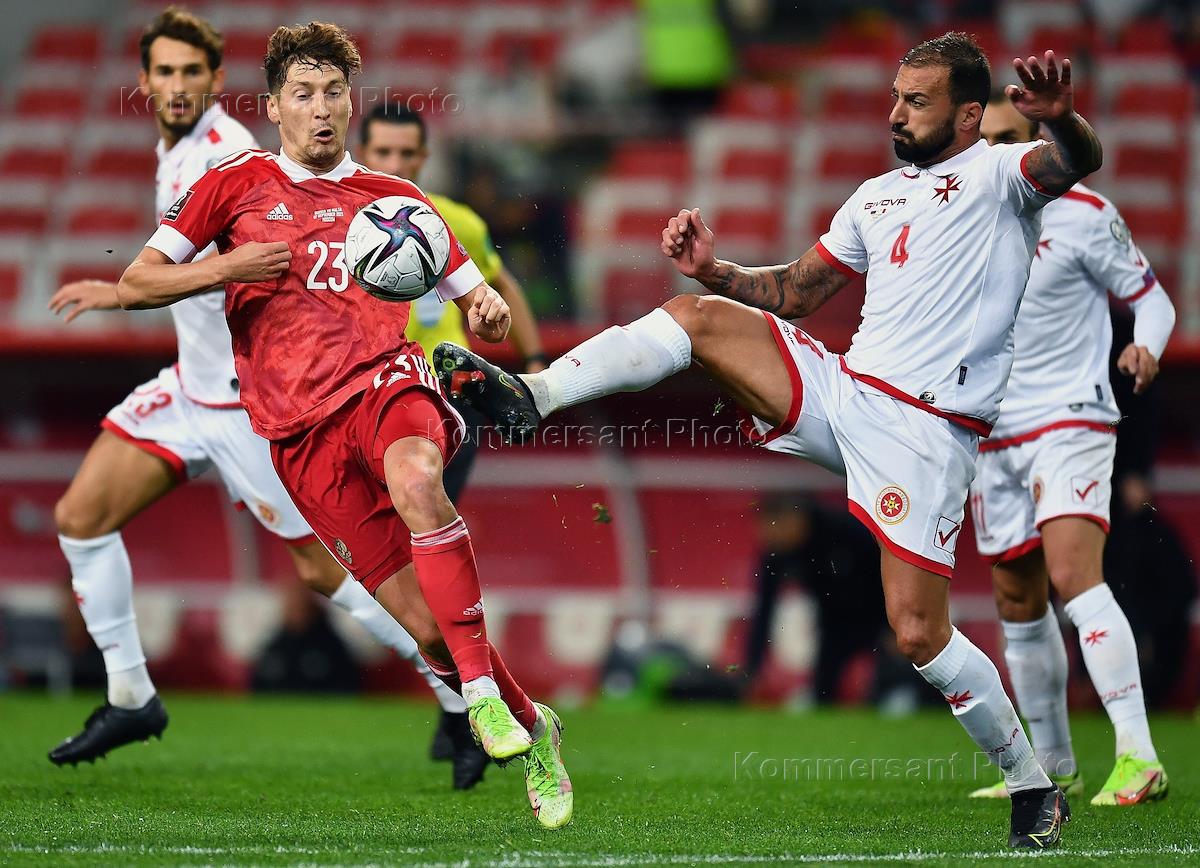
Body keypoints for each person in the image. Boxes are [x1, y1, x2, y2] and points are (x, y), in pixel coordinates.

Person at [440, 34, 1103, 848]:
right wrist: (716, 272)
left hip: (928, 433)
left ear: (970, 114)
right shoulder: (876, 196)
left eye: (917, 102)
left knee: (920, 632)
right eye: (895, 97)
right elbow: (794, 291)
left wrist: (1062, 117)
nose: (896, 113)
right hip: (850, 394)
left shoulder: (1005, 175)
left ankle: (1031, 784)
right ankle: (533, 398)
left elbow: (1075, 158)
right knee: (696, 318)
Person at [111, 21, 571, 829]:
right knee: (425, 629)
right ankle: (534, 727)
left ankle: (479, 701)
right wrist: (226, 268)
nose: (321, 109)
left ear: (348, 103)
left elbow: (476, 298)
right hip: (295, 436)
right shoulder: (233, 183)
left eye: (333, 93)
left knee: (420, 478)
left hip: (383, 387)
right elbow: (137, 281)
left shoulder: (396, 201)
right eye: (303, 94)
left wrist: (488, 306)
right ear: (274, 105)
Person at [44, 8, 488, 790]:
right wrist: (122, 297)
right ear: (144, 81)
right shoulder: (179, 151)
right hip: (188, 390)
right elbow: (166, 274)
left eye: (191, 73)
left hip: (259, 410)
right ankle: (131, 694)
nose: (177, 87)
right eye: (164, 72)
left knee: (331, 576)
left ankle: (457, 696)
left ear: (218, 83)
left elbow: (277, 261)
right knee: (80, 517)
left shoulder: (233, 156)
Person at [965, 93, 1175, 806]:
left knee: (1072, 575)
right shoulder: (963, 221)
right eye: (984, 138)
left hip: (1070, 417)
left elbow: (1152, 298)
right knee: (1016, 599)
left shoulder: (1084, 213)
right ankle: (1052, 767)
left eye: (1009, 137)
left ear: (1043, 142)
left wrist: (1147, 343)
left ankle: (1138, 756)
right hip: (993, 437)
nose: (995, 152)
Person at [353, 102, 547, 761]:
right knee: (382, 568)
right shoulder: (343, 224)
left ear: (424, 158)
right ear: (364, 152)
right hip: (356, 408)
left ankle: (466, 706)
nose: (397, 166)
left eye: (409, 155)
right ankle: (460, 701)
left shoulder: (452, 222)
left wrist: (535, 365)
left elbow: (502, 287)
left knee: (422, 549)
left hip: (441, 404)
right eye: (384, 153)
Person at [743, 494, 892, 705]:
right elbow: (763, 609)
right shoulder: (776, 551)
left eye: (774, 526)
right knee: (823, 693)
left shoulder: (846, 530)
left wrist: (893, 625)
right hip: (832, 623)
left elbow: (886, 576)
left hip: (876, 614)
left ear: (796, 520)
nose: (767, 535)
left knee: (887, 688)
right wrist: (752, 669)